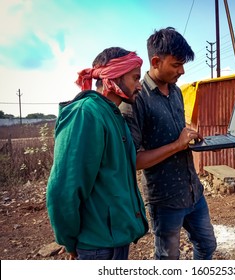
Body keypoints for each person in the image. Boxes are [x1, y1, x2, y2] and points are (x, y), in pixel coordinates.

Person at [122, 27, 217, 260]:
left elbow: (174, 131)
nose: (182, 71)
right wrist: (177, 144)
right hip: (165, 200)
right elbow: (132, 160)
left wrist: (189, 134)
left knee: (207, 245)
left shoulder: (175, 91)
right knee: (168, 261)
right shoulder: (136, 99)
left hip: (193, 191)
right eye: (176, 65)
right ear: (156, 61)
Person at [46, 47, 148, 260]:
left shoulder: (113, 115)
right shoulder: (86, 113)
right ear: (112, 78)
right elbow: (63, 189)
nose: (139, 85)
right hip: (97, 247)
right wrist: (68, 239)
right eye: (135, 78)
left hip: (114, 240)